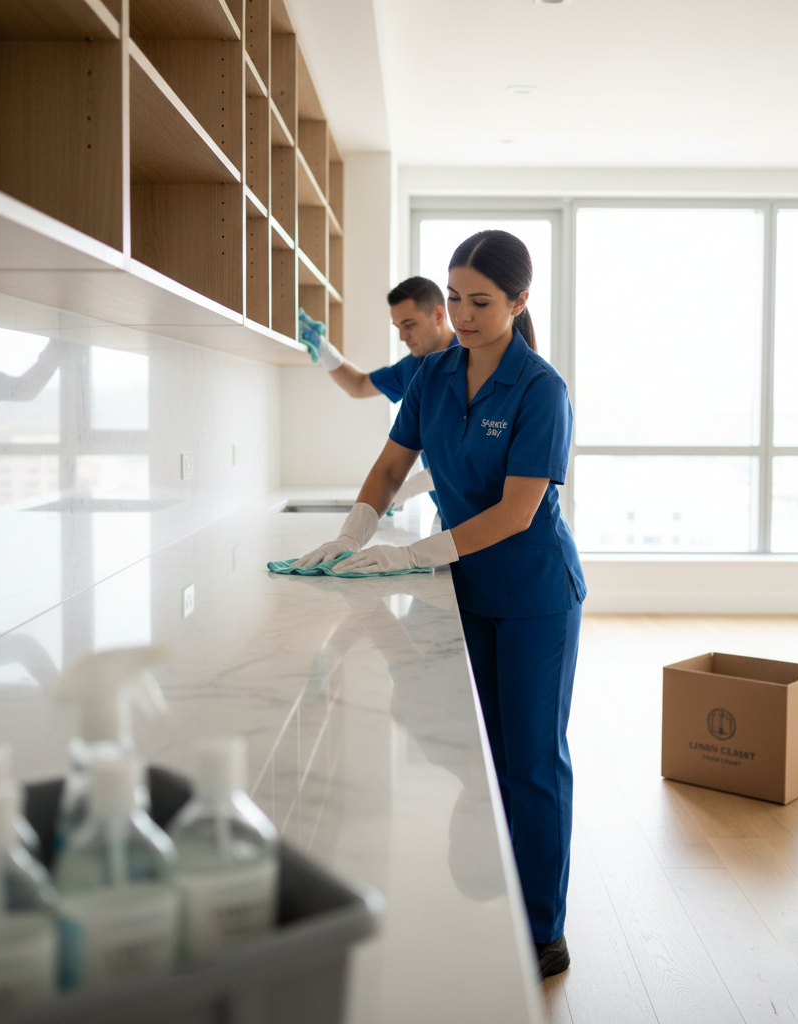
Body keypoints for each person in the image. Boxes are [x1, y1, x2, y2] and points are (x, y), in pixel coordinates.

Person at [292, 230, 586, 978]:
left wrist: (417, 550)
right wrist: (356, 529)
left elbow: (520, 511)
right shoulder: (431, 375)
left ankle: (542, 929)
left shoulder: (541, 389)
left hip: (531, 596)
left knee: (531, 762)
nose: (462, 315)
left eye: (481, 302)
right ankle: (484, 883)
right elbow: (393, 463)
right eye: (454, 299)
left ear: (520, 302)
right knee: (468, 748)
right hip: (464, 591)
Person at [306, 276, 458, 508]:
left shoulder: (471, 362)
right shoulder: (412, 367)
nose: (402, 337)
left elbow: (463, 456)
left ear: (438, 315)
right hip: (446, 512)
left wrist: (406, 490)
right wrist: (322, 347)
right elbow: (358, 385)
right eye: (398, 327)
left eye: (409, 325)